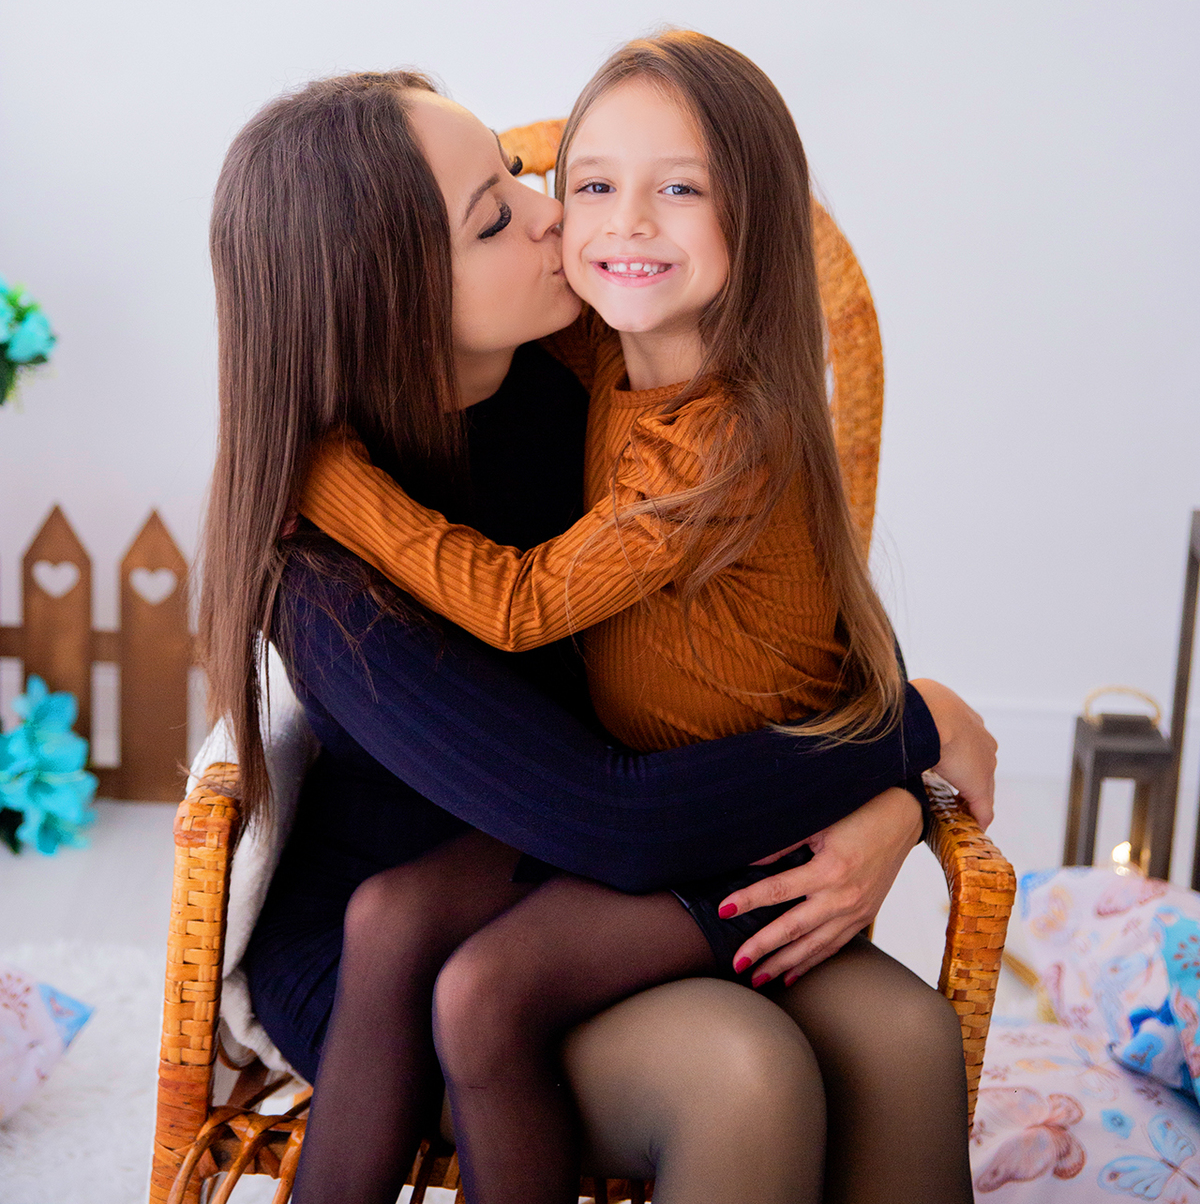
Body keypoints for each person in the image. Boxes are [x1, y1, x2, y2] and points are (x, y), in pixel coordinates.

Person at [198, 65, 994, 1204]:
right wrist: (912, 734)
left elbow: (774, 632)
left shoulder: (590, 378)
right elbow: (608, 817)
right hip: (415, 955)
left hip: (611, 868)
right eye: (496, 215)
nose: (554, 213)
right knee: (744, 1072)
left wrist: (887, 801)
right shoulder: (327, 564)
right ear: (391, 299)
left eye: (523, 176)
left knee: (903, 1036)